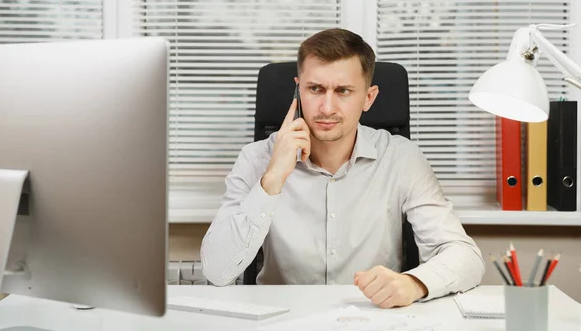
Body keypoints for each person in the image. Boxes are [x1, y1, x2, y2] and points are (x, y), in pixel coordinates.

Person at [201, 28, 484, 308]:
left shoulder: (401, 158)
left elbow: (465, 256)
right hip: (283, 320)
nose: (326, 107)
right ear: (298, 89)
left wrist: (414, 283)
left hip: (373, 319)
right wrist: (272, 178)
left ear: (368, 98)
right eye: (315, 89)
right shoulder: (257, 158)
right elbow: (217, 271)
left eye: (343, 91)